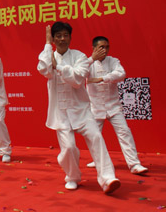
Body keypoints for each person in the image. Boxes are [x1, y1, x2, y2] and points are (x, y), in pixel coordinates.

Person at [37, 22, 120, 194]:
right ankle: (73, 177)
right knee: (68, 148)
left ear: (70, 37)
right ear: (53, 38)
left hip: (80, 109)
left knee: (96, 137)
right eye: (58, 36)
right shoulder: (47, 55)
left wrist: (59, 67)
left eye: (65, 35)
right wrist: (47, 44)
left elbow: (77, 79)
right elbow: (44, 69)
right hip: (60, 112)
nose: (62, 39)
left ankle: (108, 178)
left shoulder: (79, 56)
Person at [85, 36, 148, 175]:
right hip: (95, 107)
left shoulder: (113, 61)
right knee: (94, 136)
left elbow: (121, 74)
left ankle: (134, 164)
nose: (105, 50)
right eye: (101, 47)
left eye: (107, 47)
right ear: (94, 48)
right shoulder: (88, 63)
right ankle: (97, 160)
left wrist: (102, 78)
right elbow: (79, 73)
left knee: (124, 132)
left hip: (113, 106)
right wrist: (91, 60)